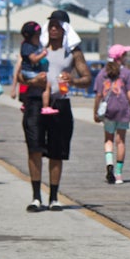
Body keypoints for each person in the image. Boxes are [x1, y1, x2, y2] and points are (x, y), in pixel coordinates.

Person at [22, 11, 91, 211]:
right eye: (50, 25)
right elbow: (20, 75)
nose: (53, 29)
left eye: (57, 26)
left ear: (65, 29)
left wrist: (73, 81)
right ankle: (36, 197)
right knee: (34, 149)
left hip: (60, 104)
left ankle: (53, 197)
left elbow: (87, 78)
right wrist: (32, 81)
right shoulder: (37, 48)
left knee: (56, 151)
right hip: (36, 102)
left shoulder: (73, 52)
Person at [92, 44, 130, 185]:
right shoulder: (127, 73)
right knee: (120, 142)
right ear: (120, 57)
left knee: (108, 140)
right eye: (125, 54)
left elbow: (99, 95)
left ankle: (109, 165)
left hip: (108, 111)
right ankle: (118, 174)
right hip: (123, 109)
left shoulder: (102, 73)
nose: (126, 57)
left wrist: (95, 111)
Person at [14, 21, 52, 112]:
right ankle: (46, 107)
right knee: (47, 85)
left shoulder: (32, 45)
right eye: (37, 36)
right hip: (29, 71)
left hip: (30, 70)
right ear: (30, 37)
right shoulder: (27, 46)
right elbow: (34, 59)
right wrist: (43, 54)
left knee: (31, 86)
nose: (38, 38)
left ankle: (25, 103)